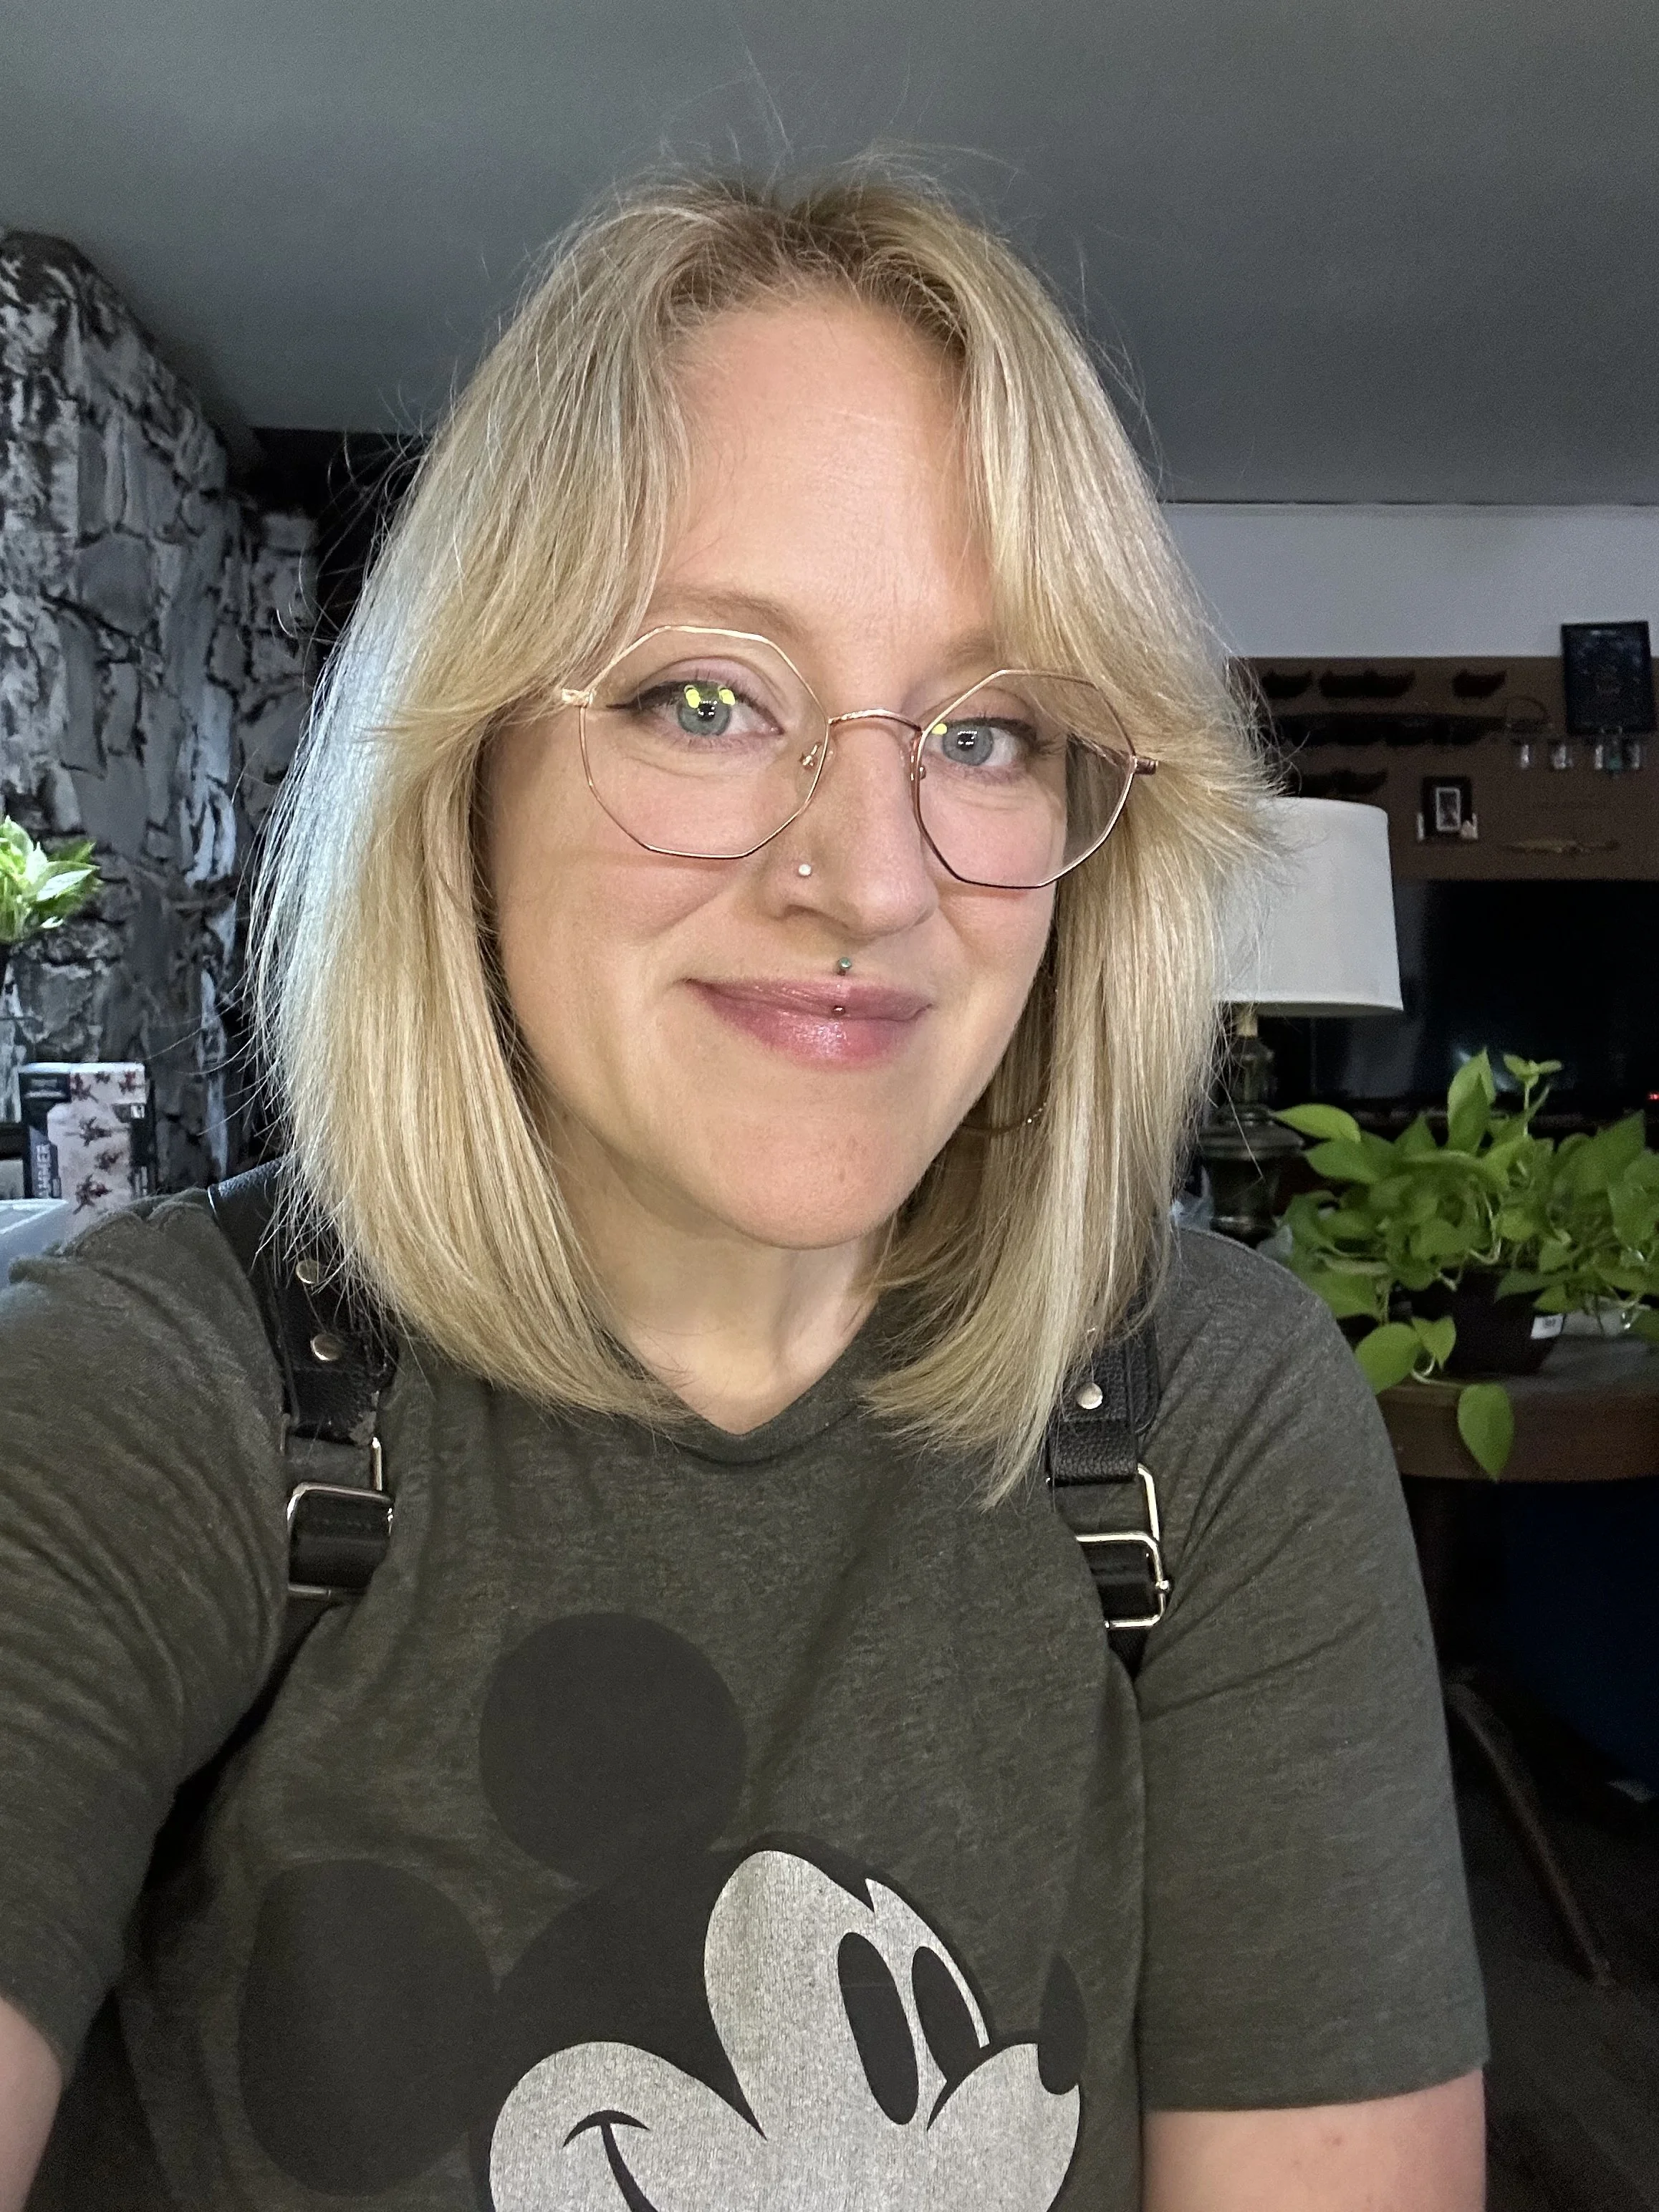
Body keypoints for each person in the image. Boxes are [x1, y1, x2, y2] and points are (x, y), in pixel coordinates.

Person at [0, 172, 1485, 2211]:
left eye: (984, 731)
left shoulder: (1210, 1417)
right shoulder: (144, 1406)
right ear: (464, 775)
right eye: (705, 699)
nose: (865, 878)